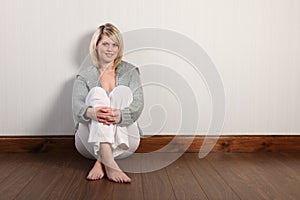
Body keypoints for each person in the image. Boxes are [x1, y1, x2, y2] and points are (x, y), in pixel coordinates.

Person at [72, 23, 144, 183]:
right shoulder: (84, 76)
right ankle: (110, 163)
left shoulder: (131, 71)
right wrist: (92, 113)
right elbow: (76, 107)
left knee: (122, 92)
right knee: (97, 93)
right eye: (105, 44)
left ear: (119, 48)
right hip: (89, 145)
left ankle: (102, 160)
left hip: (125, 143)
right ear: (96, 46)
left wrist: (120, 115)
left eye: (114, 44)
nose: (110, 49)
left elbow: (139, 104)